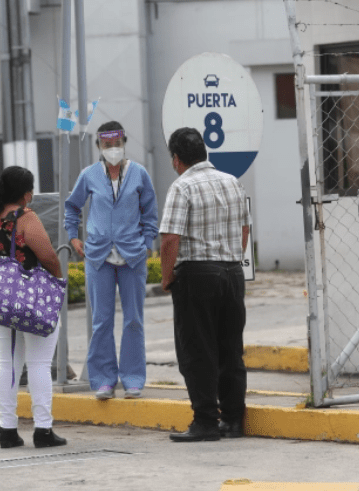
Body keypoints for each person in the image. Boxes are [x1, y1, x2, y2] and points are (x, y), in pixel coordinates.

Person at [159, 127, 250, 442]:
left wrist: (167, 277)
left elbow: (170, 239)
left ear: (177, 158)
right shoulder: (232, 181)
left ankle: (206, 421)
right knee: (230, 350)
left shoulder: (182, 187)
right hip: (232, 273)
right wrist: (232, 259)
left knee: (197, 350)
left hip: (197, 274)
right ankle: (234, 420)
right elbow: (245, 228)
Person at [65, 121, 159, 400]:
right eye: (107, 145)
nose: (113, 149)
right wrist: (73, 237)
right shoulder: (89, 175)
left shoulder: (139, 173)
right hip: (98, 256)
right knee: (101, 321)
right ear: (99, 146)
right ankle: (104, 380)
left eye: (117, 143)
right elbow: (72, 206)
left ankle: (133, 379)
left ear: (124, 143)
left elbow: (150, 212)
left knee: (134, 320)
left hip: (133, 256)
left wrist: (147, 243)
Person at [0, 166, 67, 449]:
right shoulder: (25, 218)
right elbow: (48, 256)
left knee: (7, 363)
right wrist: (58, 280)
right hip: (32, 300)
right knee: (39, 363)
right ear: (26, 194)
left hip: (1, 300)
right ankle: (43, 429)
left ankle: (7, 430)